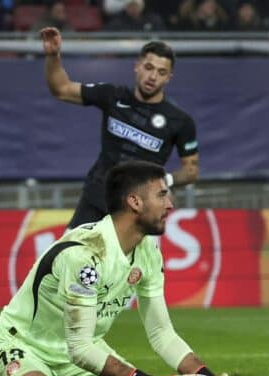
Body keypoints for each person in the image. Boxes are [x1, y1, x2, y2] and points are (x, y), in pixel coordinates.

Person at [0, 160, 234, 376]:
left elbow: (161, 333)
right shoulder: (85, 255)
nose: (171, 204)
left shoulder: (148, 253)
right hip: (24, 345)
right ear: (135, 202)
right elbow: (79, 347)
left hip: (81, 355)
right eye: (162, 195)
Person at [40, 27, 199, 228]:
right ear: (137, 66)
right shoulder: (113, 96)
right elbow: (61, 89)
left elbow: (191, 170)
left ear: (168, 78)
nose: (152, 77)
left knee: (125, 260)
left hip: (138, 211)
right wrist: (53, 56)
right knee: (69, 256)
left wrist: (164, 180)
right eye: (149, 67)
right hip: (97, 199)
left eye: (161, 72)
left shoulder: (180, 121)